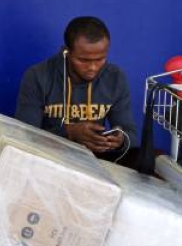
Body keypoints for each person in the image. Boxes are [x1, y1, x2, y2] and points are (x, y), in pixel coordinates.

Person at [15, 16, 136, 161]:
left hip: (95, 161)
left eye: (100, 59)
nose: (92, 67)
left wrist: (120, 140)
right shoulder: (37, 76)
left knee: (152, 158)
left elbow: (131, 137)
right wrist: (69, 132)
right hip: (49, 159)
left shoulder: (115, 77)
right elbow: (24, 138)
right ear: (66, 52)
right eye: (83, 60)